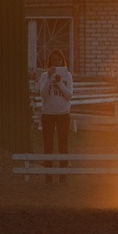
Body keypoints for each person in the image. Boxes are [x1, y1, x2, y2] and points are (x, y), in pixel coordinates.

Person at [38, 49, 73, 183]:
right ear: (50, 62)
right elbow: (43, 94)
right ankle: (48, 175)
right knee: (48, 144)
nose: (56, 62)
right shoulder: (44, 76)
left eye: (59, 60)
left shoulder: (67, 76)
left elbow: (69, 95)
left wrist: (58, 82)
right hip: (48, 114)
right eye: (54, 60)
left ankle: (63, 175)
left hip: (63, 114)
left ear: (62, 61)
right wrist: (49, 79)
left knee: (63, 144)